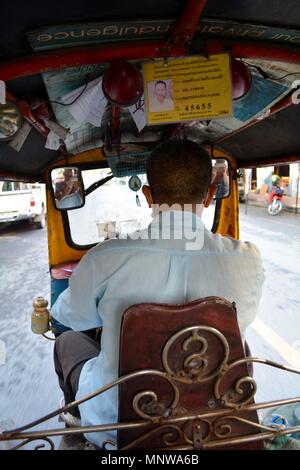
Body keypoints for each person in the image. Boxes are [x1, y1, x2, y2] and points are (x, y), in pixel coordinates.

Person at [52, 140, 264, 447]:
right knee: (239, 342)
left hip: (118, 424)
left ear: (149, 196)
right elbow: (244, 316)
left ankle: (79, 431)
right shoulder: (248, 259)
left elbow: (71, 317)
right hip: (214, 424)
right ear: (208, 196)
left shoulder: (106, 257)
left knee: (67, 341)